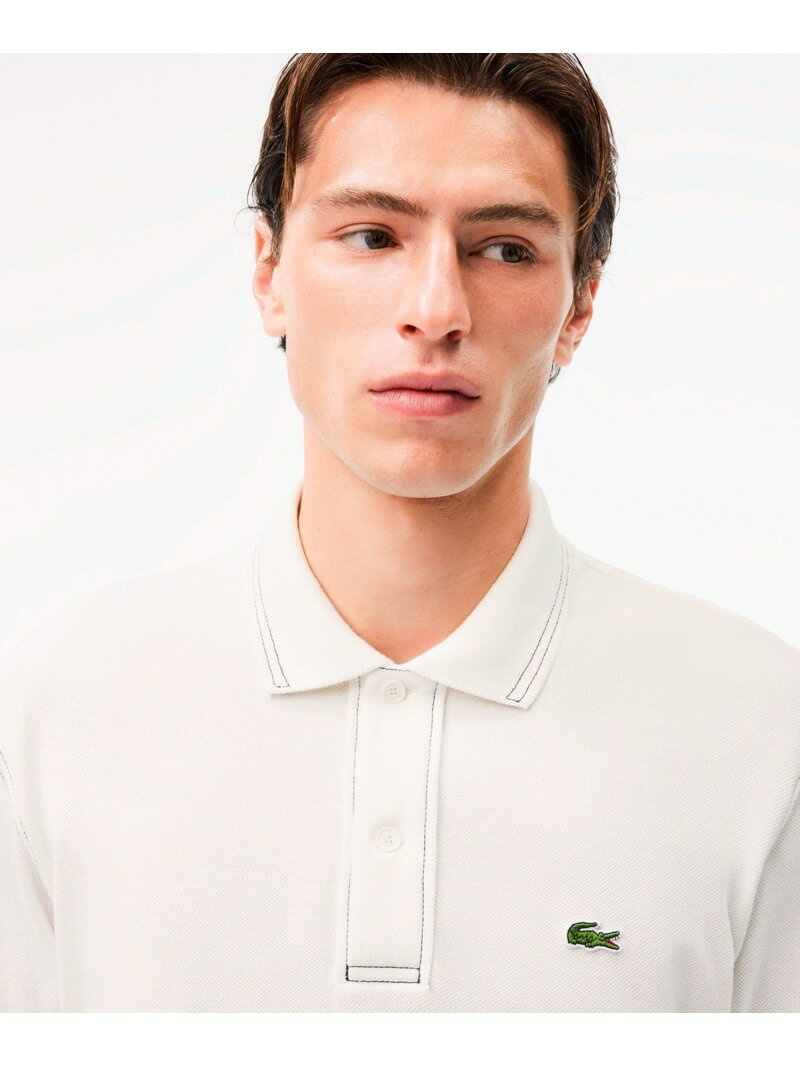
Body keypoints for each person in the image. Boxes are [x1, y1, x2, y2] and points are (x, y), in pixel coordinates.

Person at [1, 53, 798, 1013]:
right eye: (373, 235)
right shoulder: (54, 708)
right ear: (269, 273)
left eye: (505, 249)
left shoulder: (762, 729)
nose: (435, 310)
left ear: (580, 302)